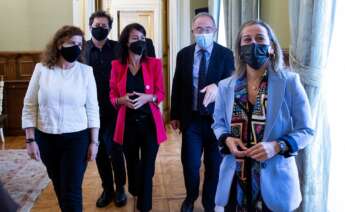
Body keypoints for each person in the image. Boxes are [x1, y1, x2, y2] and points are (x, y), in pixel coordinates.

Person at [212, 20, 314, 212]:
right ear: (240, 50)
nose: (253, 44)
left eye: (260, 39)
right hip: (235, 179)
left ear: (271, 48)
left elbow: (307, 130)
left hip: (275, 183)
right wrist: (226, 139)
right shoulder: (225, 86)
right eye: (247, 40)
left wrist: (278, 145)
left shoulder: (290, 82)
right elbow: (218, 124)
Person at [22, 25, 100, 212]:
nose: (76, 47)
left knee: (71, 190)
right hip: (47, 138)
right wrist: (30, 139)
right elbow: (30, 105)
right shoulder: (41, 69)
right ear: (59, 44)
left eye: (79, 44)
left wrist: (94, 142)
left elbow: (92, 108)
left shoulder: (85, 72)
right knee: (59, 186)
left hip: (76, 139)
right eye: (71, 43)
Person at [170, 12, 235, 212]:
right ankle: (190, 196)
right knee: (190, 165)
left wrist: (217, 85)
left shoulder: (226, 54)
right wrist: (174, 115)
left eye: (208, 29)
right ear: (193, 31)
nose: (203, 32)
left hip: (217, 122)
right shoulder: (184, 54)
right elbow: (177, 84)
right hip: (192, 120)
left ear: (214, 31)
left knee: (214, 167)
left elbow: (233, 83)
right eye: (199, 29)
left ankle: (209, 202)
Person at [109, 23, 166, 212]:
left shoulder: (154, 63)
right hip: (127, 126)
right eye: (135, 38)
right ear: (126, 42)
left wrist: (149, 98)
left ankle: (144, 206)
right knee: (132, 165)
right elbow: (111, 95)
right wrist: (120, 100)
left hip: (150, 124)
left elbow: (161, 93)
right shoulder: (117, 66)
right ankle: (134, 188)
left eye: (143, 38)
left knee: (147, 166)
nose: (140, 42)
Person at [83, 10, 127, 208]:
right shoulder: (81, 50)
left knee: (116, 150)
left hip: (115, 108)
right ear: (90, 26)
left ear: (109, 28)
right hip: (90, 111)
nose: (100, 29)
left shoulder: (119, 49)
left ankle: (120, 189)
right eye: (96, 25)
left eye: (104, 26)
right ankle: (107, 188)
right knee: (99, 152)